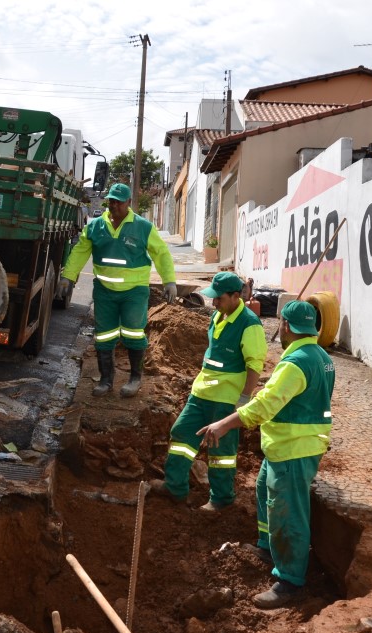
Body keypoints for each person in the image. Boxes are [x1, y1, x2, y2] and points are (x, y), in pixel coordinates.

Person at [197, 300, 334, 609]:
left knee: (289, 514)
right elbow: (303, 397)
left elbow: (264, 408)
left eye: (280, 324)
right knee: (262, 490)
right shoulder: (321, 356)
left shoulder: (295, 363)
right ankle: (266, 547)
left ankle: (290, 581)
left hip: (294, 449)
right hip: (293, 445)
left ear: (285, 326)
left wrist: (223, 424)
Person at [152, 271, 266, 512]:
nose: (214, 303)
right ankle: (175, 487)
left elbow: (255, 365)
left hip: (225, 400)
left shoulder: (249, 324)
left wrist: (244, 399)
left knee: (221, 452)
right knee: (181, 433)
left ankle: (221, 499)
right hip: (201, 394)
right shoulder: (219, 315)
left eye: (219, 298)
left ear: (236, 296)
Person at [59, 182, 177, 397]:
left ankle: (134, 378)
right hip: (104, 291)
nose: (113, 205)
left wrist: (169, 281)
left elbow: (161, 253)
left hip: (134, 291)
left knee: (133, 332)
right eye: (111, 201)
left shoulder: (142, 227)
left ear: (129, 203)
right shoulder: (96, 226)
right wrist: (67, 277)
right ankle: (105, 380)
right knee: (104, 336)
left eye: (118, 202)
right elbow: (80, 251)